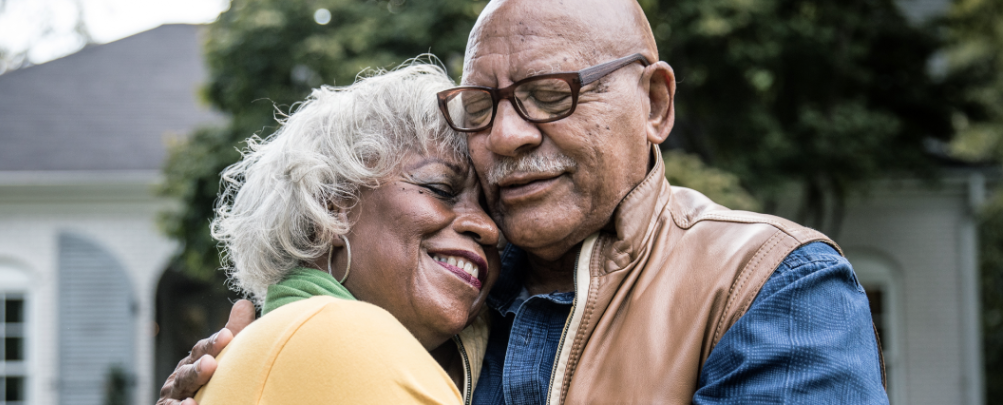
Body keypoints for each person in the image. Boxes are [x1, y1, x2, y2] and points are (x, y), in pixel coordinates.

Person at [160, 0, 889, 403]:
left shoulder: (766, 281)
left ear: (657, 103)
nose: (505, 136)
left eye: (551, 94)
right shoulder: (440, 307)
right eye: (481, 105)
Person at [174, 63, 502, 405]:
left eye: (493, 212)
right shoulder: (344, 335)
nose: (489, 228)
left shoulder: (274, 343)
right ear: (331, 207)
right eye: (442, 188)